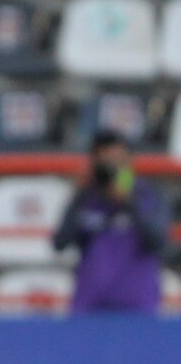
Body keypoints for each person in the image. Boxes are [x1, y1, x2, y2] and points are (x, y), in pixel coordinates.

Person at [53, 131, 169, 313]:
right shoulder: (87, 197)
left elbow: (158, 242)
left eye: (117, 160)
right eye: (104, 161)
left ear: (130, 161)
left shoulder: (148, 194)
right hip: (90, 304)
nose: (112, 167)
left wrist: (128, 200)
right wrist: (78, 195)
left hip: (137, 305)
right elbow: (60, 243)